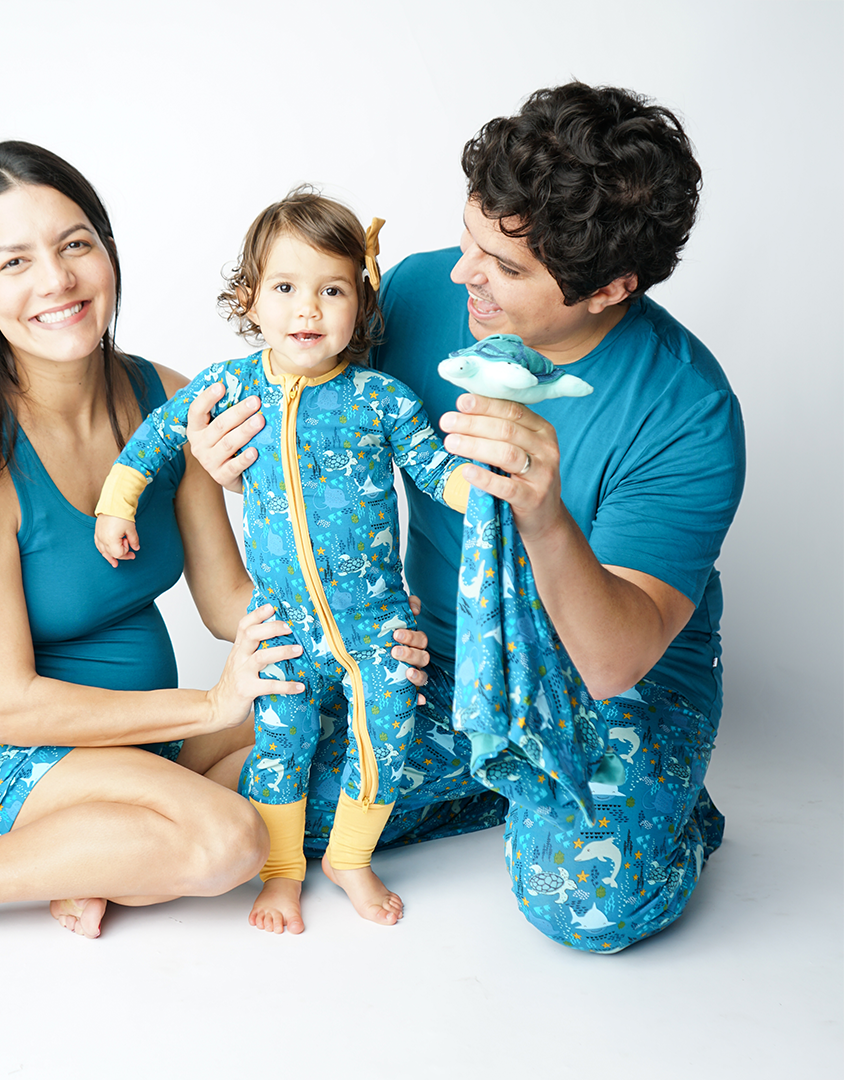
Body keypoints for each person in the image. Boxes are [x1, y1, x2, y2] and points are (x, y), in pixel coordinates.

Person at [0, 141, 433, 947]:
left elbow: (229, 603)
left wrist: (359, 624)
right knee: (228, 842)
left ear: (107, 254)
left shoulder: (173, 398)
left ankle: (92, 858)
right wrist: (216, 704)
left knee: (325, 704)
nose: (57, 280)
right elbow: (9, 710)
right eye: (16, 261)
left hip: (131, 733)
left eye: (75, 244)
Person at [183, 83, 746, 952]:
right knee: (271, 822)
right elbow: (319, 418)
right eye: (469, 237)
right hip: (437, 658)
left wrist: (545, 513)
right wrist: (226, 465)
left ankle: (665, 815)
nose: (462, 275)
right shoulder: (413, 294)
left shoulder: (687, 411)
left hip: (612, 688)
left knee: (587, 910)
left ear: (610, 289)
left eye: (506, 267)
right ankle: (497, 779)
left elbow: (613, 658)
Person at [94, 190, 471, 933]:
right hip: (284, 625)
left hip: (377, 624)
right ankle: (282, 870)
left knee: (388, 731)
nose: (309, 309)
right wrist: (118, 503)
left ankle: (352, 858)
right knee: (283, 742)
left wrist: (487, 491)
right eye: (286, 288)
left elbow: (434, 471)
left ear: (360, 305)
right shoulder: (230, 386)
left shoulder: (382, 399)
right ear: (250, 299)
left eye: (332, 290)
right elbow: (156, 438)